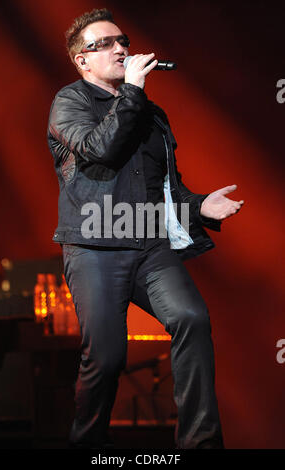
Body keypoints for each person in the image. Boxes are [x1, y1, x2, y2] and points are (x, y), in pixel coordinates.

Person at [47, 8, 244, 449]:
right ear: (82, 60)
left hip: (150, 245)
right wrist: (132, 91)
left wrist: (201, 207)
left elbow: (165, 192)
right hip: (94, 245)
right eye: (107, 43)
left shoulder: (152, 116)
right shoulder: (70, 102)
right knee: (107, 358)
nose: (121, 49)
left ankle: (201, 443)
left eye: (124, 41)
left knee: (191, 318)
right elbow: (102, 149)